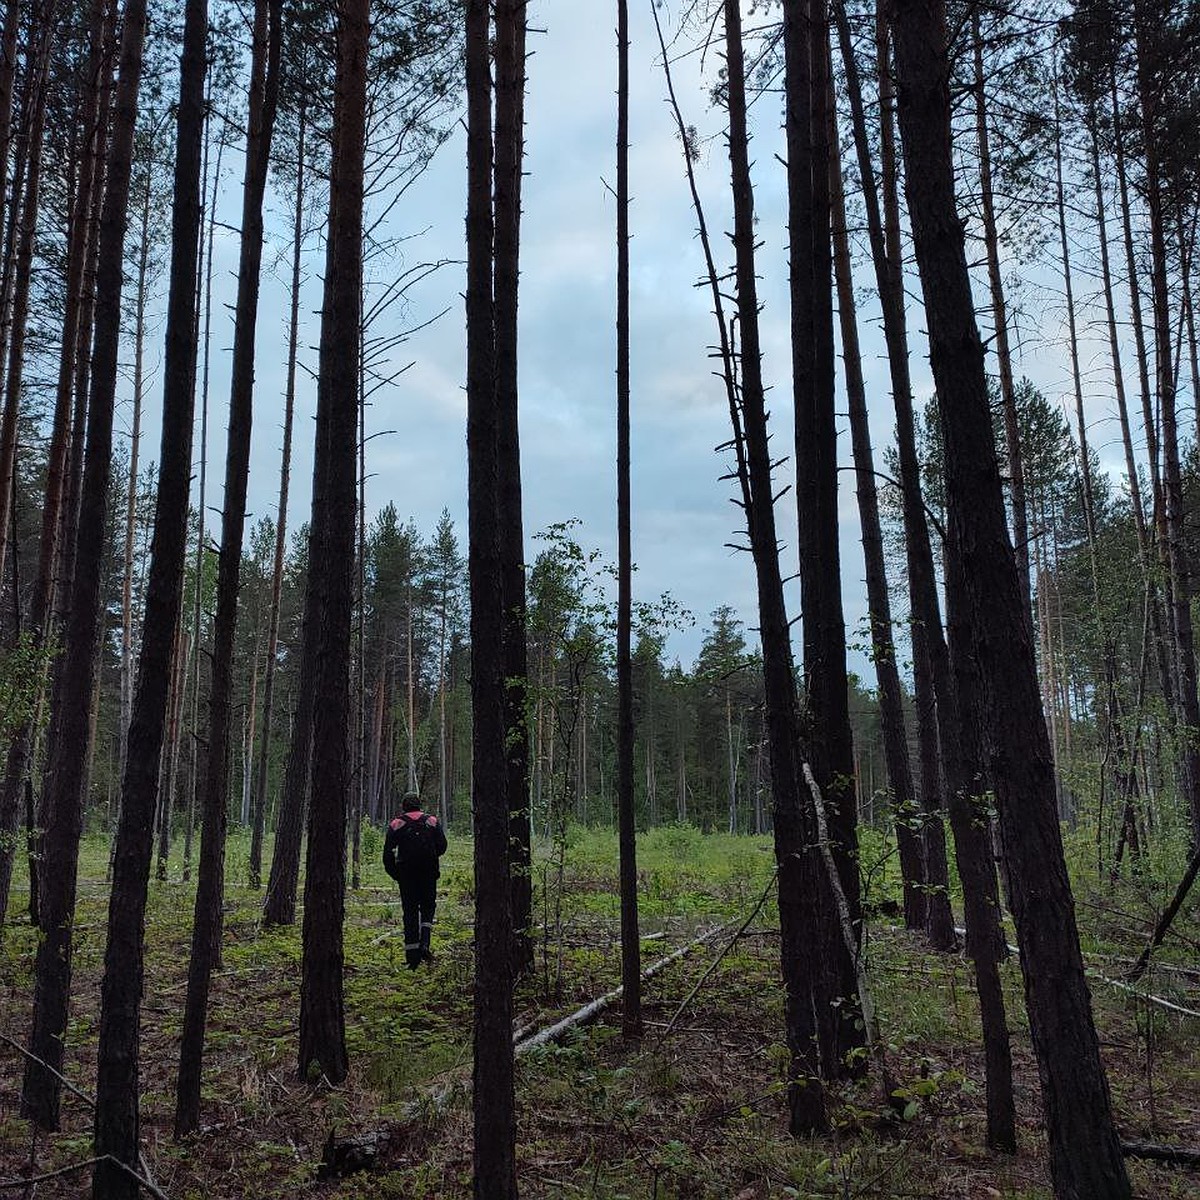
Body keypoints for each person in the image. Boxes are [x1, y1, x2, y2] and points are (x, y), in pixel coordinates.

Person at [383, 790, 447, 969]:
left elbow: (387, 853)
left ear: (404, 805)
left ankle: (412, 958)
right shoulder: (431, 821)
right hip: (429, 874)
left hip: (407, 875)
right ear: (419, 804)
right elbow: (442, 846)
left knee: (410, 912)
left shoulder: (397, 823)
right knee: (428, 908)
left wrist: (396, 874)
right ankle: (425, 943)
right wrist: (431, 858)